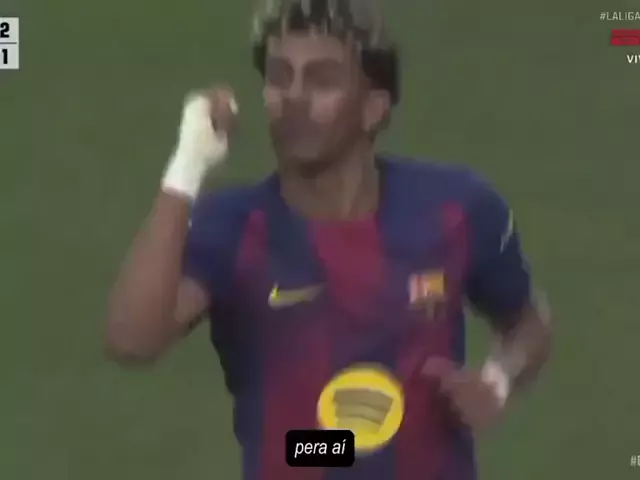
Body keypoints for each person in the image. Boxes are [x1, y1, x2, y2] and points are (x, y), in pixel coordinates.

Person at [105, 0, 552, 478]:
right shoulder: (233, 226)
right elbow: (133, 340)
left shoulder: (456, 209)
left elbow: (528, 324)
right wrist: (189, 161)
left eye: (321, 80)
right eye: (279, 77)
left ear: (373, 108)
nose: (294, 97)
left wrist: (498, 380)